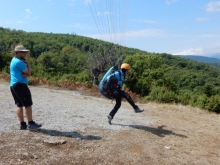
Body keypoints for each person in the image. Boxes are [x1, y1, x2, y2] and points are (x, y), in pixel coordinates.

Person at [10, 45, 42, 130]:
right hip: (20, 85)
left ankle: (22, 124)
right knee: (28, 104)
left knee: (19, 105)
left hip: (13, 85)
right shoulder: (19, 62)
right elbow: (29, 73)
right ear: (19, 52)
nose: (25, 54)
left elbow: (25, 73)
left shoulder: (14, 60)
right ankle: (31, 123)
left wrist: (25, 73)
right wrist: (28, 64)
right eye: (24, 52)